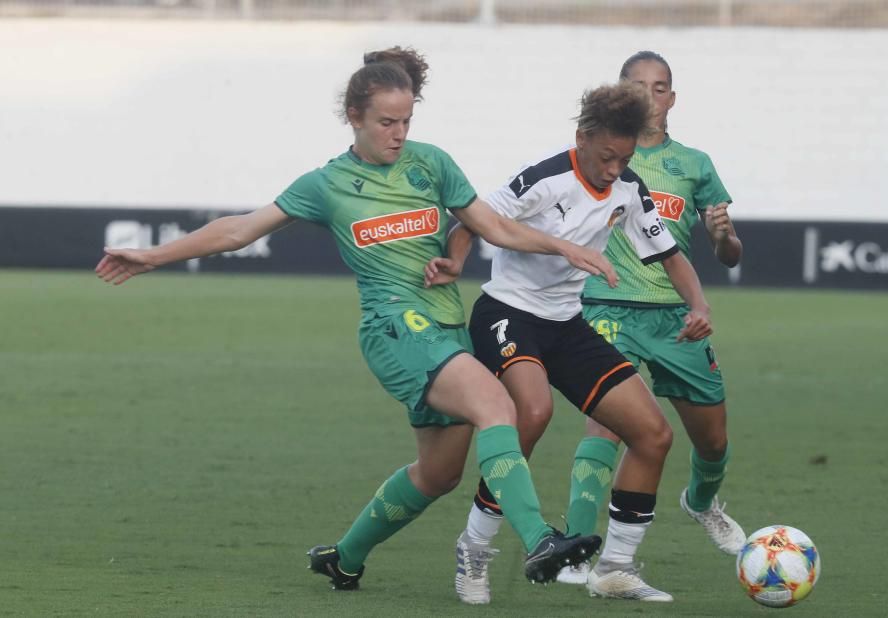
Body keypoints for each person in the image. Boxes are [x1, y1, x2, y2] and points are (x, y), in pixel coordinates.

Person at [94, 47, 609, 591]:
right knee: (496, 405)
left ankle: (344, 557)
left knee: (438, 475)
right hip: (393, 328)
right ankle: (540, 542)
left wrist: (562, 247)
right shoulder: (327, 184)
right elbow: (238, 230)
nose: (399, 133)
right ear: (354, 118)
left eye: (407, 121)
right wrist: (153, 256)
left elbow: (495, 227)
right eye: (387, 122)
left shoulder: (431, 162)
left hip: (446, 327)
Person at [424, 81, 713, 604]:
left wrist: (699, 305)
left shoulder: (628, 187)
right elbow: (473, 216)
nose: (613, 169)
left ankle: (616, 569)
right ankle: (475, 546)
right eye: (606, 157)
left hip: (566, 324)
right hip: (507, 313)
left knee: (653, 434)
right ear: (582, 137)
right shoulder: (544, 177)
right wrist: (457, 259)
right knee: (530, 414)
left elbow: (669, 254)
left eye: (624, 159)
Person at [554, 50, 747, 588]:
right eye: (638, 86)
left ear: (672, 97)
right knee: (607, 425)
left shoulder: (695, 165)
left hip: (676, 319)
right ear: (621, 92)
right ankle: (574, 546)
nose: (649, 96)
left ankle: (702, 503)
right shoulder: (602, 156)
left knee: (712, 440)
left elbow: (730, 255)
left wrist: (722, 235)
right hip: (606, 307)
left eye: (660, 87)